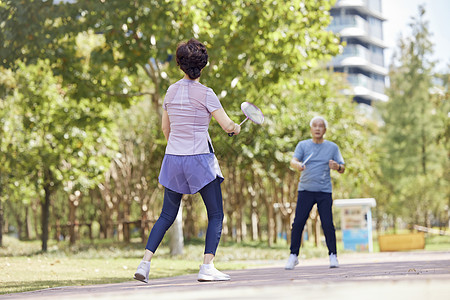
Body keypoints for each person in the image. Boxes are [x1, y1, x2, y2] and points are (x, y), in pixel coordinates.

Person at [133, 38, 241, 283]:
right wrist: (235, 127)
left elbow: (164, 128)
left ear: (180, 64)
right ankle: (207, 267)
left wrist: (176, 147)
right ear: (204, 65)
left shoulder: (171, 91)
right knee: (215, 214)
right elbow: (227, 126)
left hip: (173, 159)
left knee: (166, 216)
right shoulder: (206, 93)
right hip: (199, 160)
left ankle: (145, 264)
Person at [285, 116, 345, 270]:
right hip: (305, 190)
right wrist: (298, 165)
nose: (318, 129)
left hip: (324, 191)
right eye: (315, 126)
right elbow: (293, 161)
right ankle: (293, 256)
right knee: (298, 223)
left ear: (325, 130)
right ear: (311, 129)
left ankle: (333, 255)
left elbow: (343, 168)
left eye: (321, 126)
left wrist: (336, 166)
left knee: (327, 224)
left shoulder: (332, 147)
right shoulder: (303, 145)